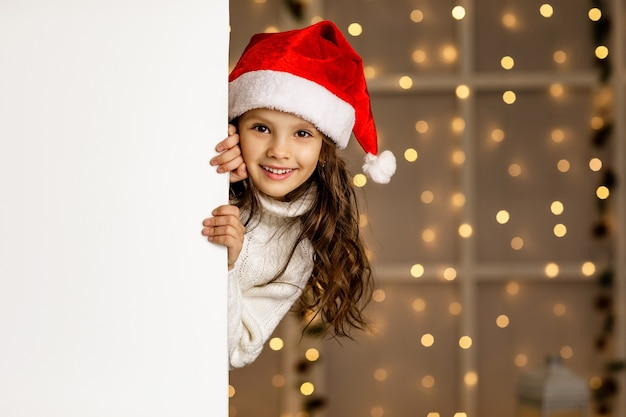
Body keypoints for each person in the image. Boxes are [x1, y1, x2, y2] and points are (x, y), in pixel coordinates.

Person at [202, 20, 396, 369]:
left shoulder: (296, 252)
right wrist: (206, 170)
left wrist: (226, 265)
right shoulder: (214, 166)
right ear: (236, 129)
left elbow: (233, 353)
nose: (279, 150)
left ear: (324, 147)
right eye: (261, 128)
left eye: (302, 134)